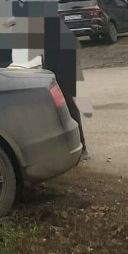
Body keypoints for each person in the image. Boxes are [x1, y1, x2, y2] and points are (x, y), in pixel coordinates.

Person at [42, 18, 89, 161]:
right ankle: (79, 146)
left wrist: (49, 74)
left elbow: (50, 61)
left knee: (69, 111)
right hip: (66, 75)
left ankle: (81, 147)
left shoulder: (51, 35)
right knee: (69, 110)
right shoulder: (61, 32)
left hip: (61, 77)